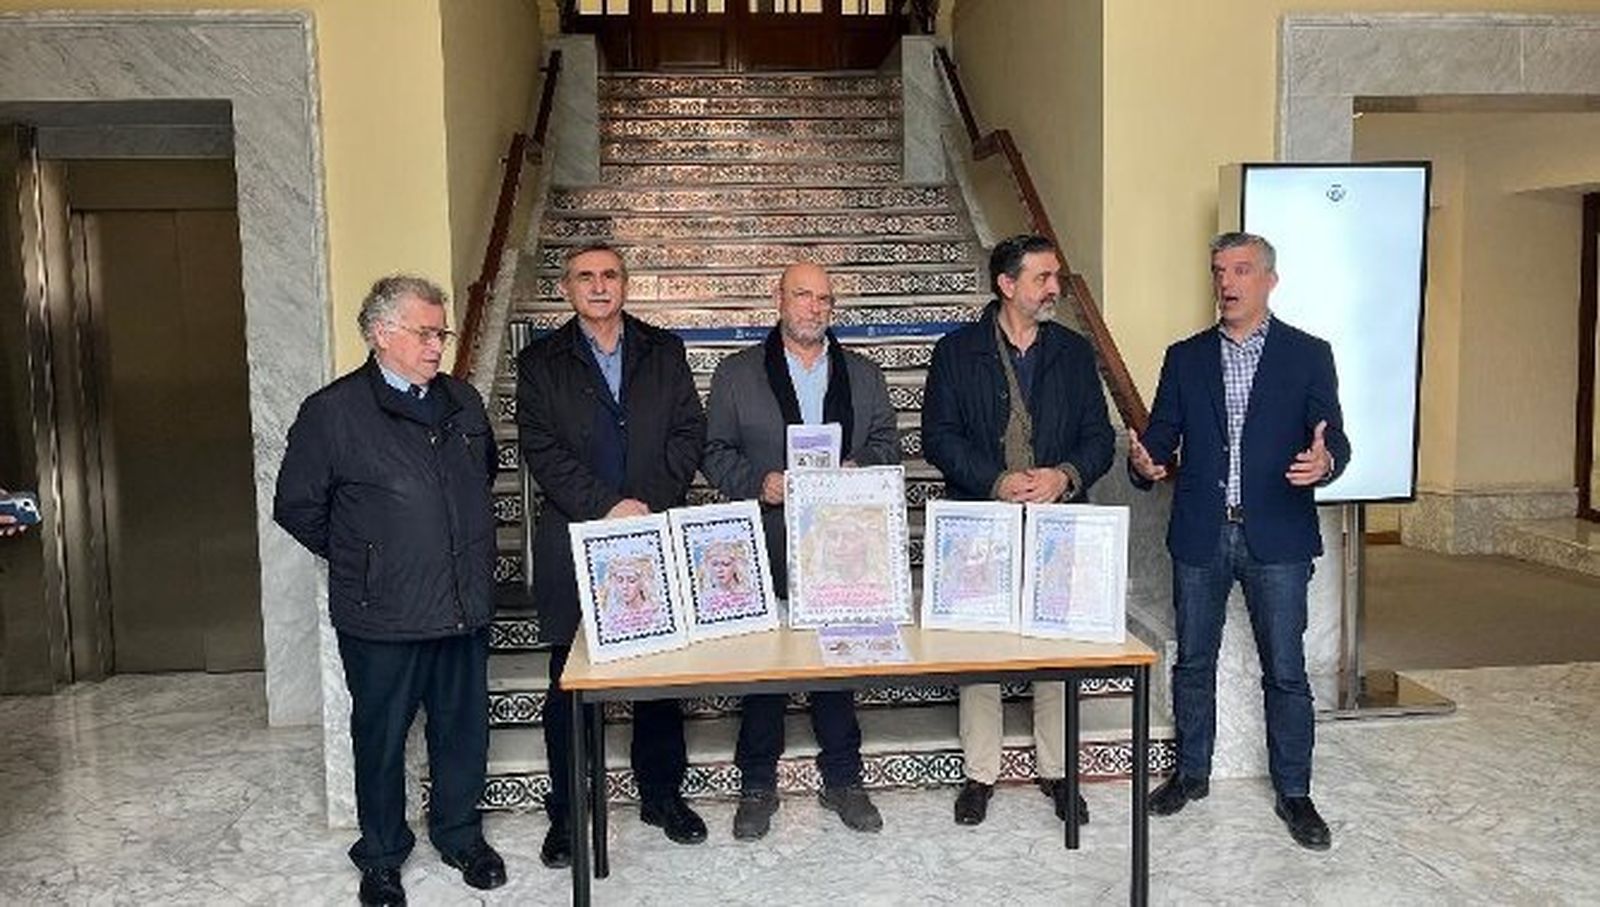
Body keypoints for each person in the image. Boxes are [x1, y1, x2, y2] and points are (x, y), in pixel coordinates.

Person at [274, 275, 505, 907]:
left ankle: (461, 836)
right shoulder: (332, 412)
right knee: (379, 739)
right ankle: (380, 855)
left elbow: (482, 477)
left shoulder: (463, 401)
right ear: (381, 334)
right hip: (382, 615)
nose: (437, 345)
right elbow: (296, 506)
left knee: (463, 731)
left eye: (441, 333)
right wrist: (367, 557)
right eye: (425, 333)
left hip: (461, 605)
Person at [1128, 231, 1350, 851]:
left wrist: (1325, 462)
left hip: (1277, 535)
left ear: (1269, 280)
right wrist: (1145, 463)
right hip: (1202, 531)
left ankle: (1295, 792)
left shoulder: (1309, 354)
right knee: (1193, 662)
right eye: (1219, 271)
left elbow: (1335, 439)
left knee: (1286, 670)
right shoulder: (1185, 356)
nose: (1227, 282)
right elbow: (1160, 437)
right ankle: (1191, 774)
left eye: (1242, 270)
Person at [516, 242, 708, 868]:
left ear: (625, 284)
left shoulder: (664, 350)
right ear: (566, 289)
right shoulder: (539, 361)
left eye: (609, 275)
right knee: (569, 684)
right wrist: (606, 506)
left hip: (653, 531)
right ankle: (568, 813)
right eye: (585, 277)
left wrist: (645, 505)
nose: (598, 286)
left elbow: (689, 433)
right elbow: (541, 449)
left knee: (658, 677)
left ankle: (663, 796)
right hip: (575, 539)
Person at [701, 261, 900, 840]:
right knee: (765, 664)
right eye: (802, 295)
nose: (814, 307)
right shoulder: (737, 373)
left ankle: (844, 778)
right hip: (766, 534)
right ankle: (757, 784)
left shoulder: (863, 374)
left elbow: (889, 443)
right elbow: (713, 451)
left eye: (824, 299)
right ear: (779, 299)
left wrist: (859, 469)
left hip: (843, 544)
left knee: (836, 662)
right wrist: (758, 482)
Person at [922, 233, 1115, 827]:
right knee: (979, 648)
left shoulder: (1074, 353)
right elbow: (938, 437)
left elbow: (1100, 437)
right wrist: (996, 481)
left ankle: (1057, 770)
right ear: (1007, 285)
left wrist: (1064, 475)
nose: (1055, 288)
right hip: (979, 521)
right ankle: (980, 773)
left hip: (1059, 523)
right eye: (1042, 278)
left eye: (1055, 277)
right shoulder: (956, 351)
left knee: (1057, 647)